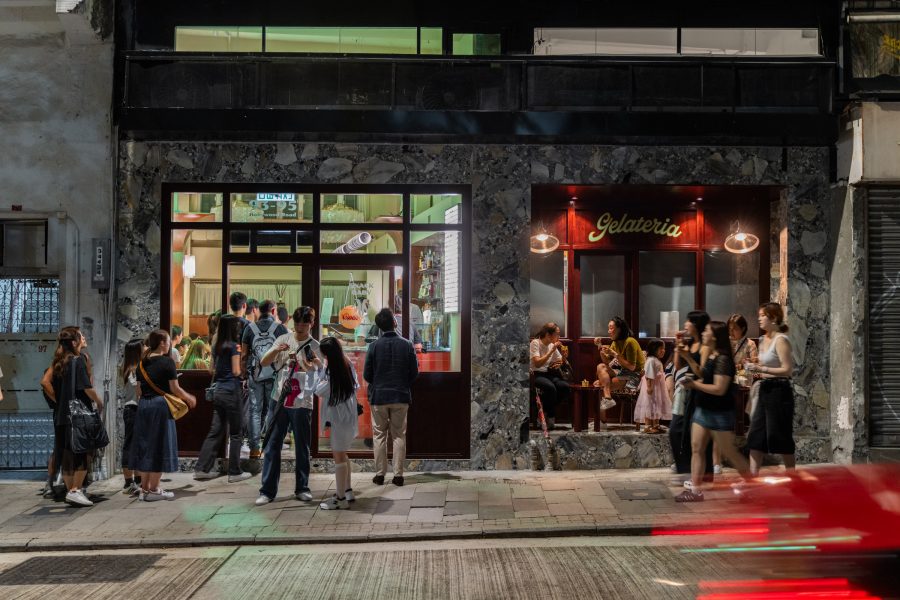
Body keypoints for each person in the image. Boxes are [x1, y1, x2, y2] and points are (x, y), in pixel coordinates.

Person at [675, 321, 755, 503]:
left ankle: (752, 485)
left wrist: (694, 385)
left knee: (730, 453)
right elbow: (702, 374)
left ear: (715, 336)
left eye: (707, 331)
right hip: (704, 408)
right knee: (697, 448)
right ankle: (695, 491)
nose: (703, 333)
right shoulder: (712, 355)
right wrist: (687, 357)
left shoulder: (723, 360)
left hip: (719, 413)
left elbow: (719, 389)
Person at [254, 306, 320, 506]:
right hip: (280, 397)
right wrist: (276, 350)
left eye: (304, 325)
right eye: (297, 324)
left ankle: (302, 488)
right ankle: (267, 490)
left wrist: (307, 365)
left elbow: (319, 373)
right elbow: (264, 362)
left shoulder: (315, 346)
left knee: (302, 445)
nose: (300, 328)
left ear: (311, 324)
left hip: (302, 400)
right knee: (273, 443)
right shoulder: (284, 339)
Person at [39, 327, 104, 507]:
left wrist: (59, 401)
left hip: (62, 415)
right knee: (83, 452)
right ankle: (75, 490)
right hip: (78, 415)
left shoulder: (60, 361)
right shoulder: (78, 360)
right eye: (81, 335)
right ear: (74, 342)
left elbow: (45, 382)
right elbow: (86, 387)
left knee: (67, 453)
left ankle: (70, 491)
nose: (84, 337)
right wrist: (99, 401)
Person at [131, 329, 196, 501]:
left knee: (147, 447)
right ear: (161, 343)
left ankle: (145, 489)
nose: (168, 345)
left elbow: (138, 391)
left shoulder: (141, 364)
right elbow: (175, 388)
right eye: (167, 341)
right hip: (160, 406)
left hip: (144, 406)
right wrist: (189, 397)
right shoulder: (167, 362)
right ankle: (154, 489)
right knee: (160, 446)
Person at [194, 315, 253, 483]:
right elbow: (236, 371)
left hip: (218, 390)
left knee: (215, 431)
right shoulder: (234, 346)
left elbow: (211, 370)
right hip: (231, 391)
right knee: (236, 433)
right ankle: (234, 472)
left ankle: (201, 468)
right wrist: (242, 371)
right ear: (233, 328)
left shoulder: (216, 346)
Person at [364, 307, 419, 487]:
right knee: (399, 435)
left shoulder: (373, 346)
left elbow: (367, 375)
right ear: (395, 323)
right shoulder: (407, 345)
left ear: (379, 326)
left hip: (379, 397)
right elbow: (414, 372)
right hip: (400, 396)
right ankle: (398, 475)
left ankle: (380, 474)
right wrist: (403, 383)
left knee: (379, 435)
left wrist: (378, 383)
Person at [745, 302, 796, 475]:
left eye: (762, 315)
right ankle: (753, 477)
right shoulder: (761, 340)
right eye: (759, 315)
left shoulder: (780, 340)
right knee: (756, 435)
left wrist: (762, 369)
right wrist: (754, 365)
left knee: (780, 435)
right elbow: (763, 364)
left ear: (773, 318)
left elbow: (787, 370)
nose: (759, 319)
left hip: (779, 391)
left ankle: (792, 475)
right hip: (764, 388)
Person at [312, 336, 360, 510]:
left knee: (339, 457)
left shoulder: (333, 374)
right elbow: (356, 386)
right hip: (348, 417)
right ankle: (347, 491)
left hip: (339, 419)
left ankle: (340, 499)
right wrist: (322, 367)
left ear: (327, 355)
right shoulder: (346, 364)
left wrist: (319, 369)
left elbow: (318, 390)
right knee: (343, 454)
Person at [242, 299, 288, 459]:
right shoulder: (280, 328)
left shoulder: (249, 328)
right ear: (273, 311)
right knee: (271, 410)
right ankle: (269, 446)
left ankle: (254, 448)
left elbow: (244, 355)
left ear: (259, 311)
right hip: (274, 374)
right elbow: (286, 353)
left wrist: (244, 374)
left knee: (254, 410)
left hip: (255, 374)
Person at [669, 311, 712, 476]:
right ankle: (684, 467)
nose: (685, 324)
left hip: (700, 392)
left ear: (696, 325)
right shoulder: (690, 343)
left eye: (688, 321)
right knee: (675, 430)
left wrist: (687, 356)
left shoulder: (705, 346)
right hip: (687, 390)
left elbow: (702, 373)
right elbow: (678, 366)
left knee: (695, 435)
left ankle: (700, 472)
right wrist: (678, 347)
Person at [593, 316, 644, 411]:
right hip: (621, 372)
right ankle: (608, 398)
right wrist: (600, 347)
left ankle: (605, 407)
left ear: (619, 329)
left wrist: (614, 354)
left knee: (601, 384)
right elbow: (607, 362)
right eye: (608, 328)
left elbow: (632, 367)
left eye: (611, 328)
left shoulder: (630, 342)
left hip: (634, 375)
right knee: (600, 366)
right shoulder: (615, 343)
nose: (608, 331)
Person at [529, 322, 569, 430]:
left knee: (565, 387)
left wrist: (564, 357)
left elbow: (559, 361)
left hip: (547, 374)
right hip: (535, 374)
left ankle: (545, 411)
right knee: (551, 388)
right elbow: (537, 363)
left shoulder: (551, 345)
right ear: (548, 335)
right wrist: (551, 351)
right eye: (557, 334)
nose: (559, 337)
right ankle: (550, 416)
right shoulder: (535, 343)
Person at [120, 338, 144, 495]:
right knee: (130, 445)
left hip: (136, 409)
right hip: (132, 409)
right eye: (143, 347)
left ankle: (138, 479)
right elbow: (138, 391)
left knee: (138, 445)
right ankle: (128, 481)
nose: (146, 349)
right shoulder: (132, 370)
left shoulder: (135, 369)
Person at [634, 339, 671, 434]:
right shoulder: (650, 360)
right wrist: (649, 387)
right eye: (661, 348)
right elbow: (648, 375)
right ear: (654, 349)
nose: (663, 351)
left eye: (664, 348)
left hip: (658, 386)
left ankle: (656, 424)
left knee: (657, 404)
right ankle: (648, 426)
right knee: (650, 404)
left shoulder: (656, 360)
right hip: (652, 386)